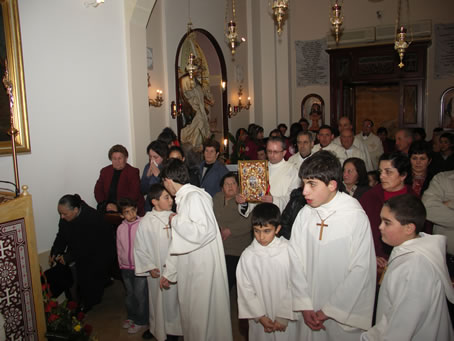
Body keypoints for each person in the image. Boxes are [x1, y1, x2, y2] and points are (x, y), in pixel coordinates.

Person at [289, 151, 376, 341]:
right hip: (308, 306)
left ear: (332, 185)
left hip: (341, 311)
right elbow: (293, 259)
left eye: (312, 184)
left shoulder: (354, 215)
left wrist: (329, 310)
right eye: (304, 184)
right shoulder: (305, 214)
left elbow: (362, 269)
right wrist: (304, 304)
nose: (304, 191)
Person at [361, 194, 454, 341]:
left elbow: (403, 323)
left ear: (409, 228)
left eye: (387, 222)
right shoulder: (407, 250)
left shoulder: (415, 266)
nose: (380, 227)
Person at [159, 159, 233, 341]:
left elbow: (204, 230)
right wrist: (170, 271)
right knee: (195, 318)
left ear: (167, 180)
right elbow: (181, 241)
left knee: (202, 318)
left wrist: (174, 221)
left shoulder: (194, 197)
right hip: (193, 267)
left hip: (201, 270)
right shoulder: (187, 198)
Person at [236, 203, 298, 340]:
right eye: (257, 231)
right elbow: (245, 289)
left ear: (277, 229)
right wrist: (260, 316)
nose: (261, 237)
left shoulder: (288, 251)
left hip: (285, 317)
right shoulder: (248, 255)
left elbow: (295, 284)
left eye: (266, 231)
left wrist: (283, 316)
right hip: (260, 319)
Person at [134, 184, 182, 341]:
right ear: (154, 201)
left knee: (175, 302)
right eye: (166, 197)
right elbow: (140, 247)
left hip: (175, 270)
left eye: (171, 197)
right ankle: (160, 330)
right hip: (157, 271)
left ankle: (176, 331)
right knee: (158, 303)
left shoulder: (176, 217)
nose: (171, 200)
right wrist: (149, 267)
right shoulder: (146, 222)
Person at [50, 194, 113, 312]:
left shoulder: (93, 218)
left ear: (75, 210)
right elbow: (61, 235)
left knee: (87, 275)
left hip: (99, 252)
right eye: (60, 214)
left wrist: (69, 256)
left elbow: (90, 245)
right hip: (79, 249)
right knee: (64, 271)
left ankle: (88, 303)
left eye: (64, 214)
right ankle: (74, 301)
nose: (62, 217)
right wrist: (55, 251)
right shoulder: (66, 215)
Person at [360, 152, 414, 271]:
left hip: (407, 262)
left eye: (388, 172)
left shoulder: (413, 200)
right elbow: (359, 232)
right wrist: (370, 254)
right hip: (375, 261)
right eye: (380, 171)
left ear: (403, 175)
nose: (382, 176)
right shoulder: (369, 197)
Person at [238, 136, 300, 213]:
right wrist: (244, 202)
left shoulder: (292, 170)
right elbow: (253, 194)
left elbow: (293, 199)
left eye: (275, 152)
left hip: (281, 216)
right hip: (260, 215)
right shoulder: (258, 168)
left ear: (284, 153)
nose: (272, 155)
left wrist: (274, 200)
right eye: (269, 151)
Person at [213, 173, 252, 291]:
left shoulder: (245, 199)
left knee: (232, 282)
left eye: (233, 183)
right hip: (219, 247)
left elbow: (249, 222)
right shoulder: (217, 198)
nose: (230, 186)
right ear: (222, 187)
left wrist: (230, 230)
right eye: (226, 184)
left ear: (239, 186)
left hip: (238, 248)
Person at [116, 198, 148, 334]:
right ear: (122, 215)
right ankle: (131, 316)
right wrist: (120, 263)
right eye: (127, 212)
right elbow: (119, 247)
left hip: (139, 267)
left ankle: (141, 320)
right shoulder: (120, 228)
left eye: (133, 210)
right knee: (130, 294)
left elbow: (147, 245)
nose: (131, 214)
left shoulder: (142, 225)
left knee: (140, 294)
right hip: (125, 267)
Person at [94, 144, 144, 215]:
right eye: (114, 158)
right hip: (107, 208)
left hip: (127, 209)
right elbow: (98, 190)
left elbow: (134, 194)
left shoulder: (133, 172)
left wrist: (118, 207)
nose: (117, 161)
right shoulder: (105, 171)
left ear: (126, 158)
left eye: (120, 158)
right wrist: (106, 205)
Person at [179, 58, 214, 150]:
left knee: (202, 124)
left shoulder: (197, 83)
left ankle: (198, 146)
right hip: (193, 109)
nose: (199, 72)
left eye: (200, 70)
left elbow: (203, 98)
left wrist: (208, 99)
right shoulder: (186, 80)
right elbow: (185, 93)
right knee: (199, 123)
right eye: (198, 69)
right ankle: (195, 146)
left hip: (200, 109)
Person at [141, 140, 169, 212]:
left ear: (164, 157)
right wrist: (147, 177)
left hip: (165, 207)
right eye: (150, 157)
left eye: (155, 157)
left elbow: (167, 190)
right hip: (149, 207)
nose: (152, 160)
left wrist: (158, 176)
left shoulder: (168, 168)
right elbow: (143, 190)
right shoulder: (148, 166)